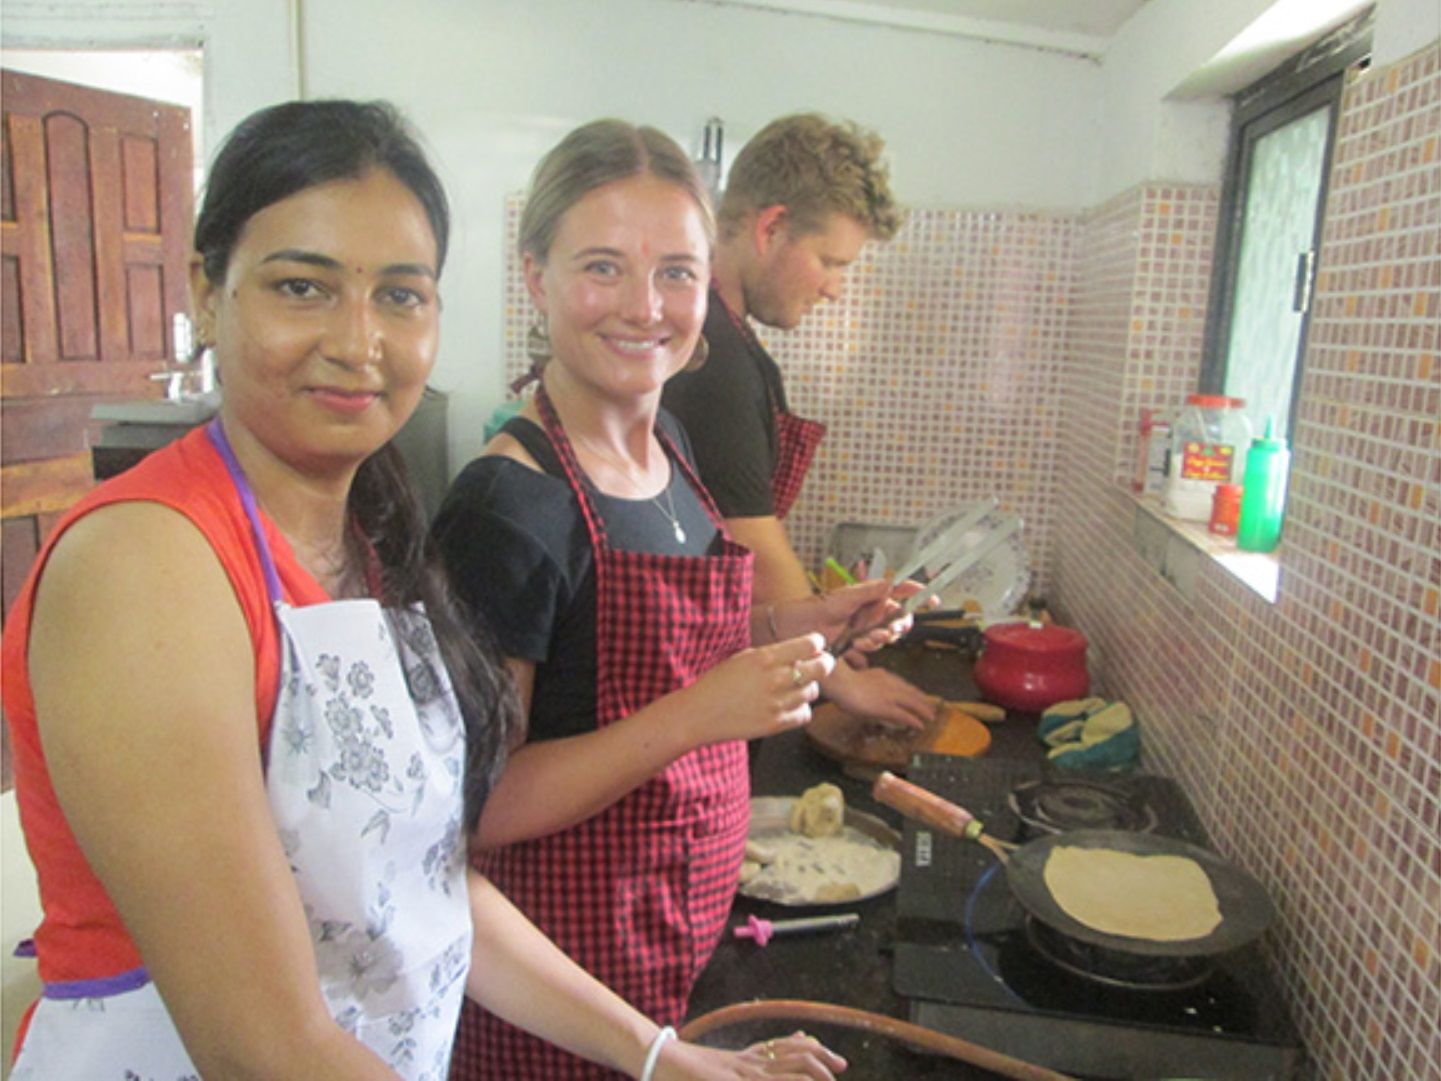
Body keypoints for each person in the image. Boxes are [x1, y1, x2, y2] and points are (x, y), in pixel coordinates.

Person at [1, 100, 842, 1081]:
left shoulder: (372, 542)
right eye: (302, 286)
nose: (358, 342)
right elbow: (260, 1047)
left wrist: (663, 1057)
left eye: (399, 296)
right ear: (208, 285)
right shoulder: (145, 564)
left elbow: (423, 881)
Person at [432, 119, 912, 1080]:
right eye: (602, 267)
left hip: (663, 944)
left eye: (677, 273)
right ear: (535, 275)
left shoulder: (668, 455)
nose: (645, 307)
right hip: (555, 1004)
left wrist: (795, 622)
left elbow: (656, 647)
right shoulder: (508, 506)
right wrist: (704, 713)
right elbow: (479, 806)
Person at [660, 115, 930, 724]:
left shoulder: (723, 341)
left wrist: (825, 628)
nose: (835, 288)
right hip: (693, 688)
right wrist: (835, 678)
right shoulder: (714, 361)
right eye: (830, 261)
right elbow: (748, 543)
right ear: (772, 227)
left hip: (721, 663)